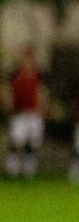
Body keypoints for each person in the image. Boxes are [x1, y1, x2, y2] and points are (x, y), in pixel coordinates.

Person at [4, 45, 45, 179]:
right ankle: (11, 171)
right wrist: (10, 106)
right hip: (20, 113)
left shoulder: (37, 76)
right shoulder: (16, 76)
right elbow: (9, 93)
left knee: (32, 144)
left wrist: (41, 108)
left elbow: (40, 93)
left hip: (33, 113)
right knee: (16, 142)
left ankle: (28, 172)